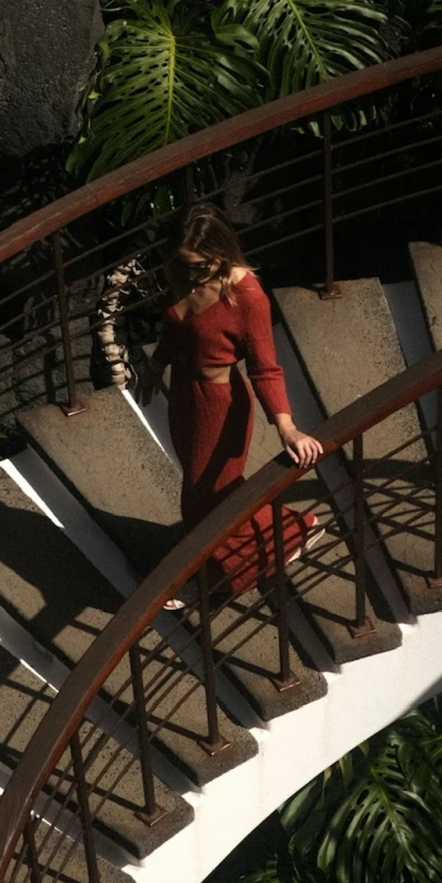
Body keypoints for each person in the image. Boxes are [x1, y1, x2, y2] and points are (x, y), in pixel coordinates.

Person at [139, 204, 323, 595]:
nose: (192, 274)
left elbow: (265, 368)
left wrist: (286, 426)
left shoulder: (248, 297)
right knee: (206, 483)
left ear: (223, 252)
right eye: (185, 264)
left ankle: (204, 577)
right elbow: (177, 329)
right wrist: (156, 367)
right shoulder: (180, 272)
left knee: (201, 496)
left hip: (220, 405)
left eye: (201, 265)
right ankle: (292, 529)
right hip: (185, 394)